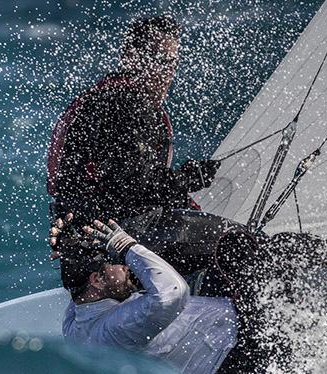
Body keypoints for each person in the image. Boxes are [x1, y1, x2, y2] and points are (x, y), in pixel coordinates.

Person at [46, 15, 220, 229]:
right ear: (130, 57)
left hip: (88, 237)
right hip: (110, 242)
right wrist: (187, 178)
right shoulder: (128, 105)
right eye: (160, 60)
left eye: (173, 62)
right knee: (241, 248)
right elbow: (132, 188)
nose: (168, 72)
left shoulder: (110, 95)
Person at [62, 217, 239, 374]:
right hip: (235, 349)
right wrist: (124, 246)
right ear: (97, 280)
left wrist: (67, 244)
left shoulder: (74, 323)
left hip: (213, 327)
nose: (125, 266)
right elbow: (173, 293)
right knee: (241, 247)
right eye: (114, 262)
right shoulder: (115, 327)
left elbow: (75, 284)